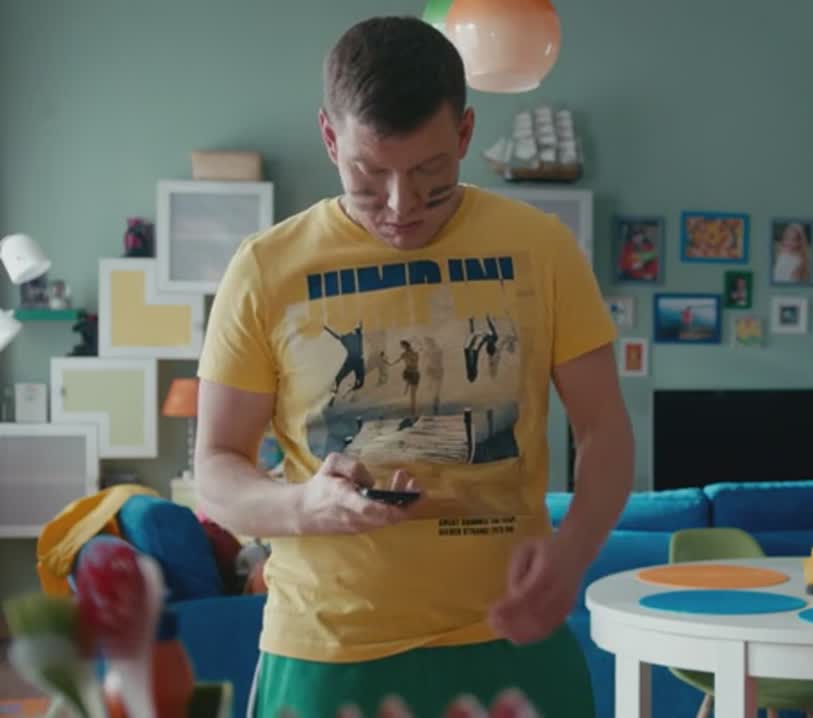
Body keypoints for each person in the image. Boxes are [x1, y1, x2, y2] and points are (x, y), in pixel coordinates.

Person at [193, 16, 633, 718]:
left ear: (465, 134)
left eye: (430, 174)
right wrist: (304, 505)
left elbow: (605, 431)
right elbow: (217, 469)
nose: (401, 208)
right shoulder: (265, 269)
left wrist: (573, 553)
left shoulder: (542, 249)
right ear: (330, 138)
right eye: (369, 178)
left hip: (510, 637)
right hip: (327, 652)